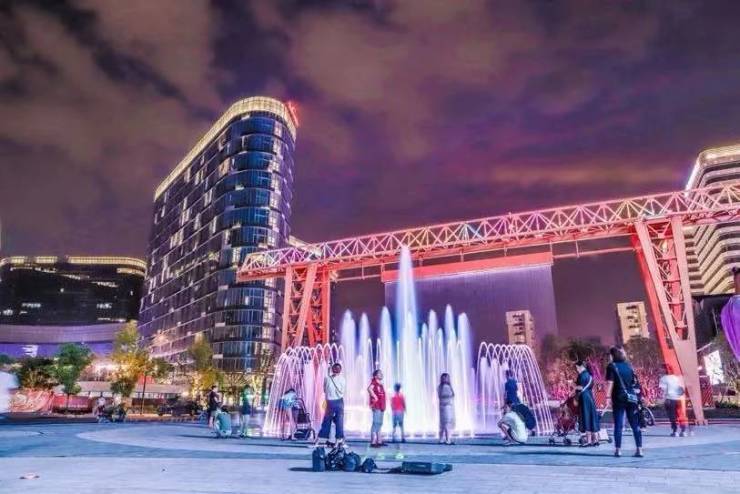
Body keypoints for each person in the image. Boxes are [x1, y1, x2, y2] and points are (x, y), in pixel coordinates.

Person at [604, 346, 644, 458]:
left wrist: (607, 397)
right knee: (635, 424)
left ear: (612, 355)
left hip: (619, 397)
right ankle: (639, 449)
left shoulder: (611, 366)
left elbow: (610, 383)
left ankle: (618, 450)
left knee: (619, 424)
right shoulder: (628, 366)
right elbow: (633, 381)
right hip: (631, 397)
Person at [315, 362, 346, 447]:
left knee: (326, 422)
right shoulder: (342, 379)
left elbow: (325, 390)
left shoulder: (327, 378)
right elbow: (342, 392)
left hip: (330, 402)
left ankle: (318, 441)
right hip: (338, 402)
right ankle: (338, 442)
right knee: (339, 422)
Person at [574, 361, 600, 446]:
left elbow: (580, 388)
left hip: (584, 398)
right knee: (592, 416)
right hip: (590, 397)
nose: (577, 369)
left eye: (577, 367)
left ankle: (588, 441)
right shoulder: (590, 376)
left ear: (581, 366)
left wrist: (573, 386)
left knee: (586, 417)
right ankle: (595, 440)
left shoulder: (581, 375)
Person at [659, 365, 687, 437]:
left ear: (665, 370)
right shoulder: (677, 378)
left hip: (669, 399)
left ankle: (675, 431)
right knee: (680, 414)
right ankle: (683, 431)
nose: (660, 370)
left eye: (661, 369)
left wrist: (662, 400)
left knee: (672, 416)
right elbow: (681, 389)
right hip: (678, 399)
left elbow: (662, 390)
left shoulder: (663, 379)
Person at [368, 369, 386, 447]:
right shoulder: (374, 383)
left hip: (381, 406)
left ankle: (379, 441)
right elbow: (369, 389)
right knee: (375, 423)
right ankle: (373, 442)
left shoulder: (380, 384)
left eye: (381, 373)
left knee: (379, 423)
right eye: (379, 373)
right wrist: (374, 397)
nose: (381, 374)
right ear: (375, 376)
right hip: (376, 406)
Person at [438, 373, 455, 445]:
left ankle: (441, 439)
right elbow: (451, 395)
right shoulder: (446, 387)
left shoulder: (440, 387)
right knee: (447, 423)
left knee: (442, 424)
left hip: (442, 406)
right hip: (447, 406)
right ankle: (448, 440)